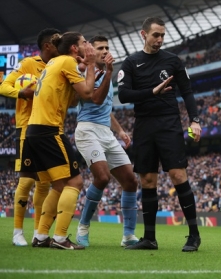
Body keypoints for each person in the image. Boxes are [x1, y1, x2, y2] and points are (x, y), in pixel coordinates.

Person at [117, 16, 202, 251]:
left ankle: (194, 235)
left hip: (169, 124)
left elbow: (187, 92)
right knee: (147, 180)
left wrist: (195, 120)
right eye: (156, 35)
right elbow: (123, 96)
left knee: (178, 175)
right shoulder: (131, 63)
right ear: (144, 35)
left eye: (163, 35)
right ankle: (149, 239)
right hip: (144, 125)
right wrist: (151, 92)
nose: (160, 39)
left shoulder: (173, 61)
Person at [21, 32, 97, 250]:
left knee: (59, 184)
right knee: (75, 182)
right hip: (49, 130)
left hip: (34, 131)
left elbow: (71, 101)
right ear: (74, 48)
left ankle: (41, 236)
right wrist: (90, 66)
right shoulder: (67, 62)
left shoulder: (55, 62)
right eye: (84, 43)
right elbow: (87, 93)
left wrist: (81, 71)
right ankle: (61, 238)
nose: (87, 46)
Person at [74, 35, 140, 247]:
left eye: (106, 47)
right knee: (102, 177)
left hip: (105, 133)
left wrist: (120, 131)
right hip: (87, 131)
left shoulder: (107, 75)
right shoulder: (85, 71)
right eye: (99, 47)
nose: (104, 50)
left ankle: (128, 235)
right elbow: (95, 98)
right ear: (90, 51)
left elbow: (105, 109)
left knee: (130, 181)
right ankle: (83, 227)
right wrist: (110, 72)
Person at [0, 28, 60, 246]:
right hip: (27, 127)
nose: (60, 45)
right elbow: (4, 85)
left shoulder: (59, 65)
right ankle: (17, 232)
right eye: (56, 42)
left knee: (44, 184)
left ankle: (38, 233)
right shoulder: (27, 64)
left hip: (50, 129)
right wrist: (20, 93)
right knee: (26, 180)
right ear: (47, 45)